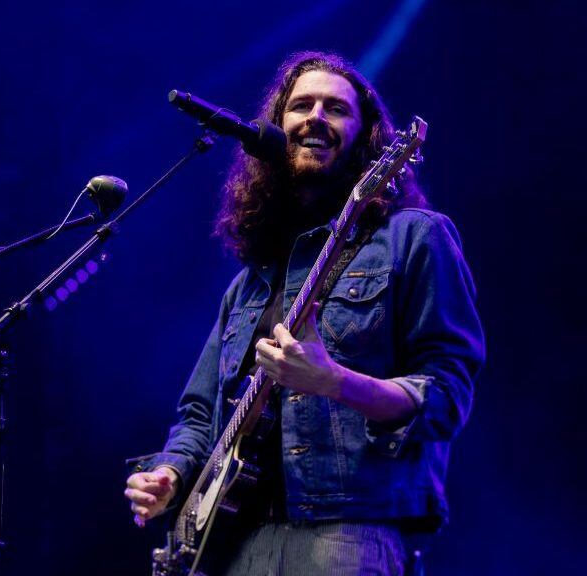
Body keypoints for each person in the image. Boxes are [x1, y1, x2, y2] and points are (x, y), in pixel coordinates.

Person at [125, 51, 485, 575]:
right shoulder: (251, 280)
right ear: (278, 128)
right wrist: (172, 474)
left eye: (335, 108)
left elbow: (447, 396)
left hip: (347, 534)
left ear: (366, 138)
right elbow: (201, 417)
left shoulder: (415, 236)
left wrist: (334, 381)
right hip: (235, 542)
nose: (315, 116)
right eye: (301, 105)